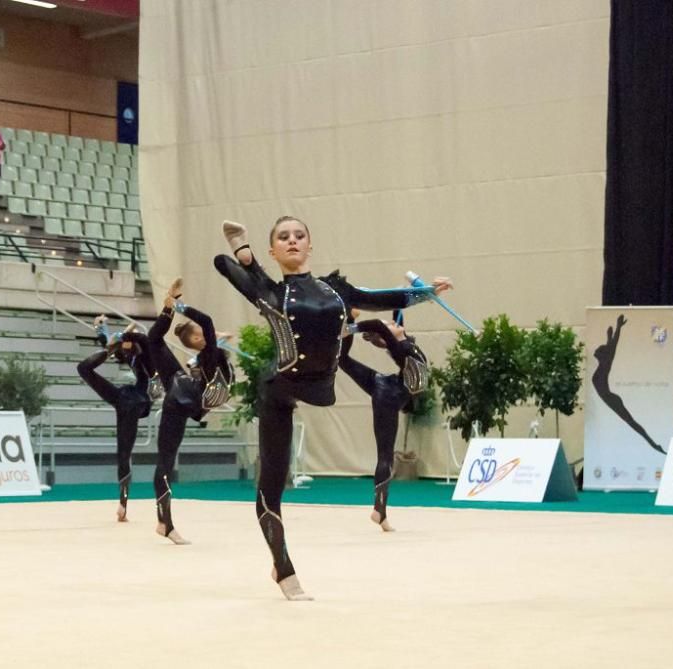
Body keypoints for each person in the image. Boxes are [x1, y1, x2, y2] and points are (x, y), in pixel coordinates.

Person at [214, 217, 451, 600]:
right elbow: (219, 263)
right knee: (271, 487)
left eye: (299, 235)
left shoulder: (336, 290)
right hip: (279, 387)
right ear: (273, 250)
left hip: (320, 385)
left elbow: (381, 298)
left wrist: (426, 292)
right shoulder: (270, 292)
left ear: (311, 245)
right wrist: (243, 252)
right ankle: (283, 567)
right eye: (283, 238)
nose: (293, 241)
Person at [145, 278, 233, 545]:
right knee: (165, 461)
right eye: (204, 335)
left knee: (154, 340)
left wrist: (172, 306)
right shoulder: (209, 355)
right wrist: (176, 304)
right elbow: (205, 320)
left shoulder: (210, 354)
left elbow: (206, 329)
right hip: (184, 398)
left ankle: (164, 522)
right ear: (197, 339)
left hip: (184, 393)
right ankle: (165, 522)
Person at [340, 310, 436, 531]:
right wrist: (353, 325)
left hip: (389, 388)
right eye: (390, 324)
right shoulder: (401, 349)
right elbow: (377, 323)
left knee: (343, 360)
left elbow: (397, 312)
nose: (394, 322)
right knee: (385, 455)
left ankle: (380, 513)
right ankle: (379, 510)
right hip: (389, 395)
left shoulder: (404, 343)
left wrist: (418, 293)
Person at [76, 315, 161, 521]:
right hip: (124, 399)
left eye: (126, 345)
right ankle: (122, 507)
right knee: (83, 368)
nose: (125, 349)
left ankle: (123, 505)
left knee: (124, 453)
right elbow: (111, 342)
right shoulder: (130, 355)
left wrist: (123, 334)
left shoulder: (148, 359)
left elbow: (141, 340)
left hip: (137, 402)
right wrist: (102, 329)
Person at [592, 315, 664, 453]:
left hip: (611, 399)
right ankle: (651, 444)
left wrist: (617, 328)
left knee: (631, 423)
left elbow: (613, 346)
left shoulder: (605, 363)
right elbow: (610, 346)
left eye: (598, 350)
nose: (595, 351)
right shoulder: (604, 362)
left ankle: (653, 444)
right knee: (630, 423)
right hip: (610, 398)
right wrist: (611, 333)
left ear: (601, 354)